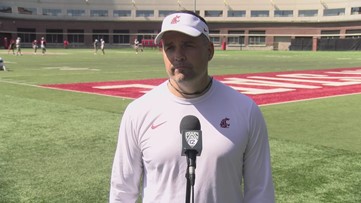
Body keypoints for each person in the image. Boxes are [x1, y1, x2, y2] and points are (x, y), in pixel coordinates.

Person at [109, 10, 275, 203]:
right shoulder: (138, 111)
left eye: (188, 45)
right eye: (170, 47)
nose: (178, 56)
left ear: (210, 51)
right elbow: (122, 191)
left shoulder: (246, 110)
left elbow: (260, 193)